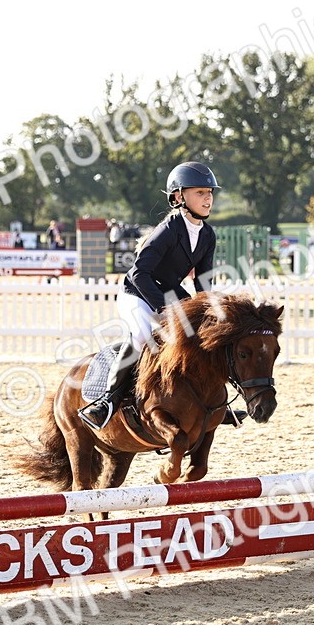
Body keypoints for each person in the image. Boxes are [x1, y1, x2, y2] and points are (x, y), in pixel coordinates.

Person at [78, 161, 219, 430]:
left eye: (210, 192)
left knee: (201, 336)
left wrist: (205, 313)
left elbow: (203, 281)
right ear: (179, 197)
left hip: (167, 291)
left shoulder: (208, 235)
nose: (208, 197)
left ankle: (209, 402)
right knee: (143, 336)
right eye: (200, 192)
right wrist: (164, 310)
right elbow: (140, 273)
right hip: (137, 293)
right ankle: (107, 401)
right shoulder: (168, 229)